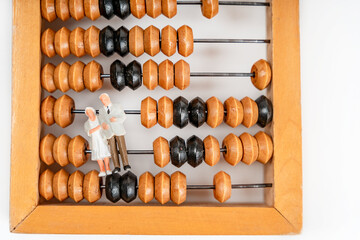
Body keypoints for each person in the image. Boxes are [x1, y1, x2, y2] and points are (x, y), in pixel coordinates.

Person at [98, 93, 130, 174]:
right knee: (113, 149)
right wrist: (103, 125)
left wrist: (116, 119)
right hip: (109, 132)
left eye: (105, 99)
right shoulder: (101, 111)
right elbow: (101, 120)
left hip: (118, 130)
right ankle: (117, 166)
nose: (103, 101)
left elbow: (123, 117)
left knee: (122, 146)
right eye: (102, 100)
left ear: (108, 98)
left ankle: (126, 164)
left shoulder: (117, 106)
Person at [84, 107, 112, 177]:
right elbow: (89, 132)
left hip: (102, 138)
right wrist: (98, 127)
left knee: (105, 152)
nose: (89, 114)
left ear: (93, 112)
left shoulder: (100, 118)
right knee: (98, 155)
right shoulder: (87, 123)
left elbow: (106, 125)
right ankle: (102, 170)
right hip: (94, 140)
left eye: (90, 112)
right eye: (88, 113)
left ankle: (108, 168)